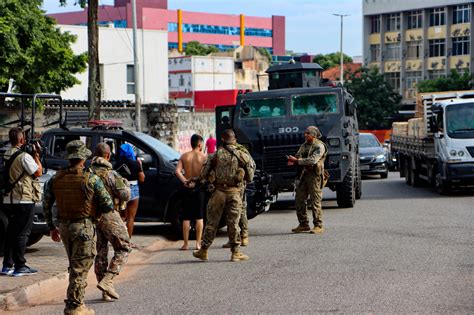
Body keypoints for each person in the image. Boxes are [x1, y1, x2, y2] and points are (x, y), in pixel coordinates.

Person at [43, 140, 114, 315]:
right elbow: (108, 204)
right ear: (83, 158)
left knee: (75, 266)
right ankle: (74, 306)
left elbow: (46, 204)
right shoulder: (91, 179)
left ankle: (76, 303)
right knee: (80, 268)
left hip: (64, 227)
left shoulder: (55, 178)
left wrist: (52, 227)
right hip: (84, 227)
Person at [193, 129, 255, 262]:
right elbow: (250, 174)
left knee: (212, 222)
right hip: (234, 193)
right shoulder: (241, 154)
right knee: (233, 223)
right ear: (234, 140)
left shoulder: (215, 155)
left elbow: (204, 173)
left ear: (222, 139)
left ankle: (203, 250)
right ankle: (236, 253)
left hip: (219, 193)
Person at [91, 143, 131, 302]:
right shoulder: (110, 174)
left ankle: (105, 290)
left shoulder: (87, 172)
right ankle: (108, 280)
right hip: (108, 215)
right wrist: (126, 183)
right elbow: (125, 195)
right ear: (107, 156)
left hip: (92, 217)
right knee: (124, 246)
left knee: (100, 252)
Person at [1, 127, 42, 277]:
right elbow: (38, 172)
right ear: (21, 140)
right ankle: (20, 265)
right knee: (23, 233)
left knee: (11, 232)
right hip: (24, 199)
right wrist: (36, 155)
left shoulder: (7, 153)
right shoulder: (25, 157)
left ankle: (7, 265)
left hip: (9, 198)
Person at [287, 126, 327, 234]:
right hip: (303, 175)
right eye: (305, 133)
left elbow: (313, 160)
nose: (305, 135)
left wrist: (297, 161)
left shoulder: (319, 146)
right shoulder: (304, 145)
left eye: (308, 133)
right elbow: (298, 155)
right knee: (299, 199)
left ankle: (318, 225)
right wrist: (293, 160)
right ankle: (303, 224)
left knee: (315, 200)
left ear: (314, 135)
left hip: (314, 176)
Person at [175, 134, 207, 251]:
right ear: (200, 144)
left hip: (187, 187)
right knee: (199, 216)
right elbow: (206, 174)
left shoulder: (184, 156)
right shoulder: (204, 157)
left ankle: (185, 244)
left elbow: (177, 171)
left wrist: (185, 181)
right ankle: (198, 243)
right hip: (199, 188)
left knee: (186, 217)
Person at [222, 142, 255, 248]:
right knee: (242, 209)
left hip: (231, 187)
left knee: (231, 212)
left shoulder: (225, 151)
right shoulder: (242, 150)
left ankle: (233, 239)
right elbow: (251, 165)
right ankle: (244, 236)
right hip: (241, 185)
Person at [114, 143, 145, 241]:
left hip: (121, 189)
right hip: (133, 189)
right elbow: (142, 179)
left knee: (122, 217)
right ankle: (128, 241)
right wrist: (140, 166)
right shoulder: (135, 163)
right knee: (131, 218)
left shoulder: (117, 164)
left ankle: (120, 240)